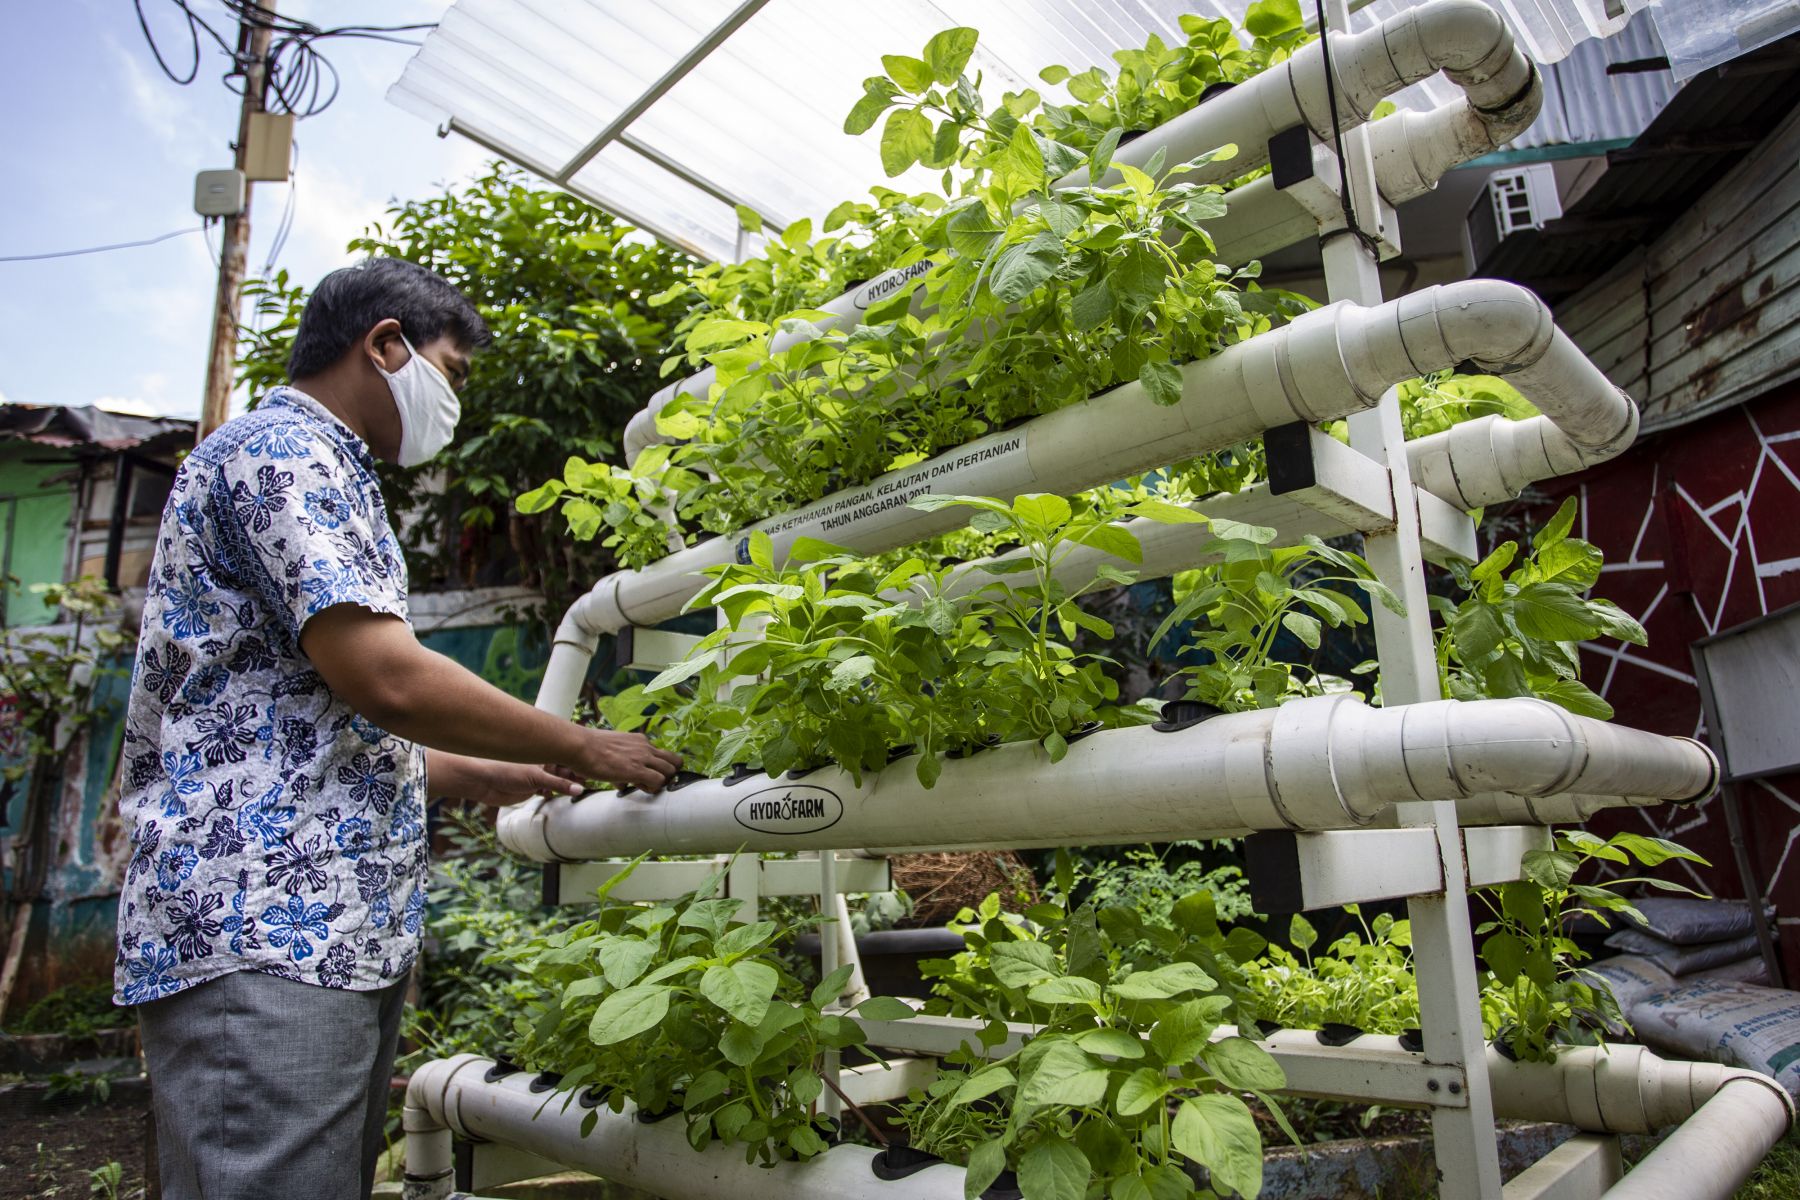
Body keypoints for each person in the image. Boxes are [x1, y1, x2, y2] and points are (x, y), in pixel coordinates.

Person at [113, 256, 680, 1199]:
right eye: (450, 370)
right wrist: (575, 742)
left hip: (316, 929)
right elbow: (386, 677)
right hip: (267, 927)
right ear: (385, 345)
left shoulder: (318, 464)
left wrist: (487, 774)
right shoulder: (282, 453)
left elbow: (300, 727)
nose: (452, 401)